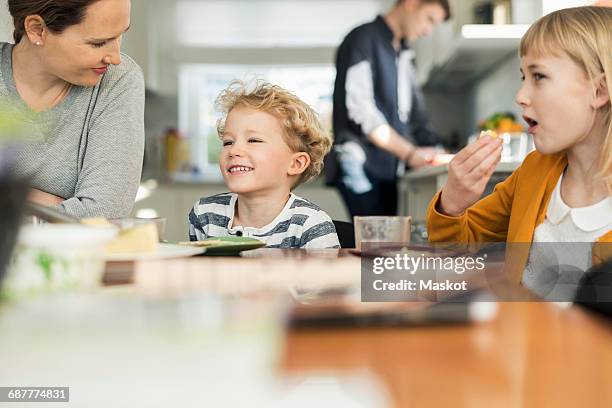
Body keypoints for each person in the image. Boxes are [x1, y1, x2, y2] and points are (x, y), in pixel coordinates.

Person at [427, 7, 612, 292]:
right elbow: (454, 252)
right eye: (523, 77)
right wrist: (452, 203)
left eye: (538, 77)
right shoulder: (533, 172)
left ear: (599, 91)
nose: (520, 97)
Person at [0, 0, 145, 218]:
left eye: (120, 35)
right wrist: (59, 207)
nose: (115, 58)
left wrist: (12, 195)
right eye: (98, 43)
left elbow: (104, 214)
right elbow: (85, 220)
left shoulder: (118, 80)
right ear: (37, 29)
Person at [327, 0, 451, 218]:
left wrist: (438, 151)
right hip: (360, 162)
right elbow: (360, 109)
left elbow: (417, 117)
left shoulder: (403, 53)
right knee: (372, 243)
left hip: (388, 167)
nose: (428, 31)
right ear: (411, 4)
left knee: (385, 243)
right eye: (429, 19)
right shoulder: (362, 39)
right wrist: (410, 153)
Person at [188, 81, 340, 249]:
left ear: (296, 163)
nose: (234, 150)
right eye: (228, 142)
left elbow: (326, 276)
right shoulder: (205, 214)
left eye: (253, 140)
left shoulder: (311, 225)